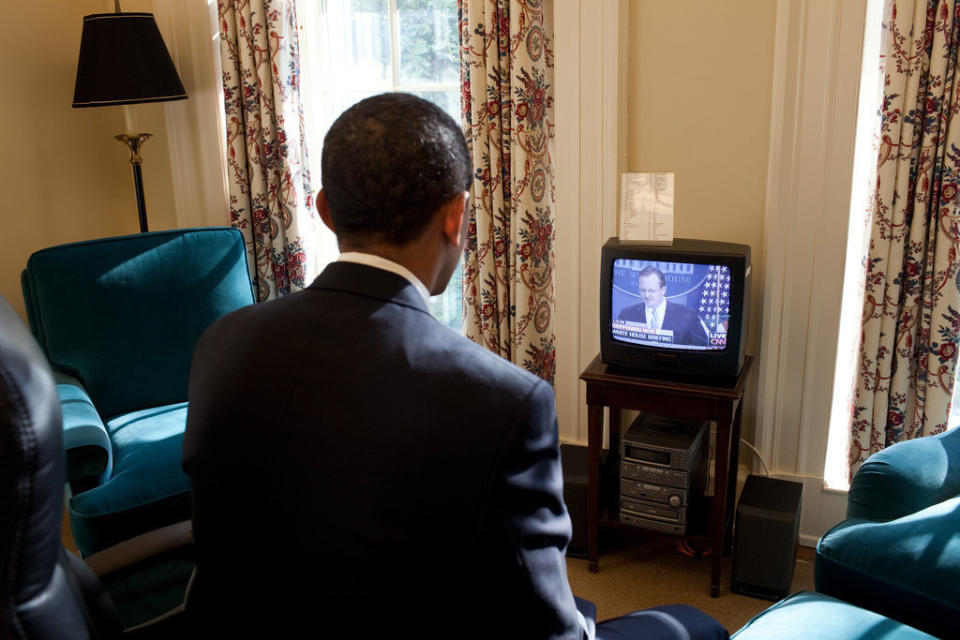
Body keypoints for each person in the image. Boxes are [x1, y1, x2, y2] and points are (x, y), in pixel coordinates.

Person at [182, 93, 728, 639]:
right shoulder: (504, 402)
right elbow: (547, 627)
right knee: (691, 625)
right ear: (457, 217)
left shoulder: (221, 342)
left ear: (324, 211)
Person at [618, 266, 709, 346]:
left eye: (651, 290)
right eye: (642, 290)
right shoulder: (626, 314)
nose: (646, 295)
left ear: (663, 290)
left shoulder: (688, 315)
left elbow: (702, 345)